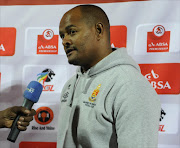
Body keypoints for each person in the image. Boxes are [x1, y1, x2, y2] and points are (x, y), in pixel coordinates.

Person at [57, 4, 161, 148]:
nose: (64, 41)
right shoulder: (70, 84)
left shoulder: (130, 86)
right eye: (62, 35)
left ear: (98, 30)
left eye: (72, 32)